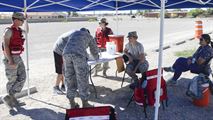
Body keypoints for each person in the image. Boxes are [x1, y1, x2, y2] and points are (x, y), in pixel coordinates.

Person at [63, 28, 99, 108]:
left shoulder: (73, 33)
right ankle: (85, 104)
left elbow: (69, 45)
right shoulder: (88, 35)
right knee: (82, 79)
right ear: (87, 32)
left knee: (70, 78)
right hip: (78, 55)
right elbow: (94, 49)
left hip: (66, 54)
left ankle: (72, 103)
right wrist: (96, 57)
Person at [1, 12, 29, 110]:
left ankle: (11, 96)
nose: (22, 22)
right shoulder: (8, 31)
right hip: (11, 57)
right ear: (16, 20)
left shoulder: (19, 30)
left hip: (17, 56)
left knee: (23, 77)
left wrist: (27, 20)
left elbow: (27, 31)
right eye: (22, 20)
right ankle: (9, 100)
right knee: (12, 80)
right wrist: (10, 61)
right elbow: (6, 47)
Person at [53, 31, 74, 95]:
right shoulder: (76, 36)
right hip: (58, 51)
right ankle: (56, 88)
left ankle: (63, 85)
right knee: (60, 71)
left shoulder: (76, 34)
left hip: (62, 50)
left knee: (64, 69)